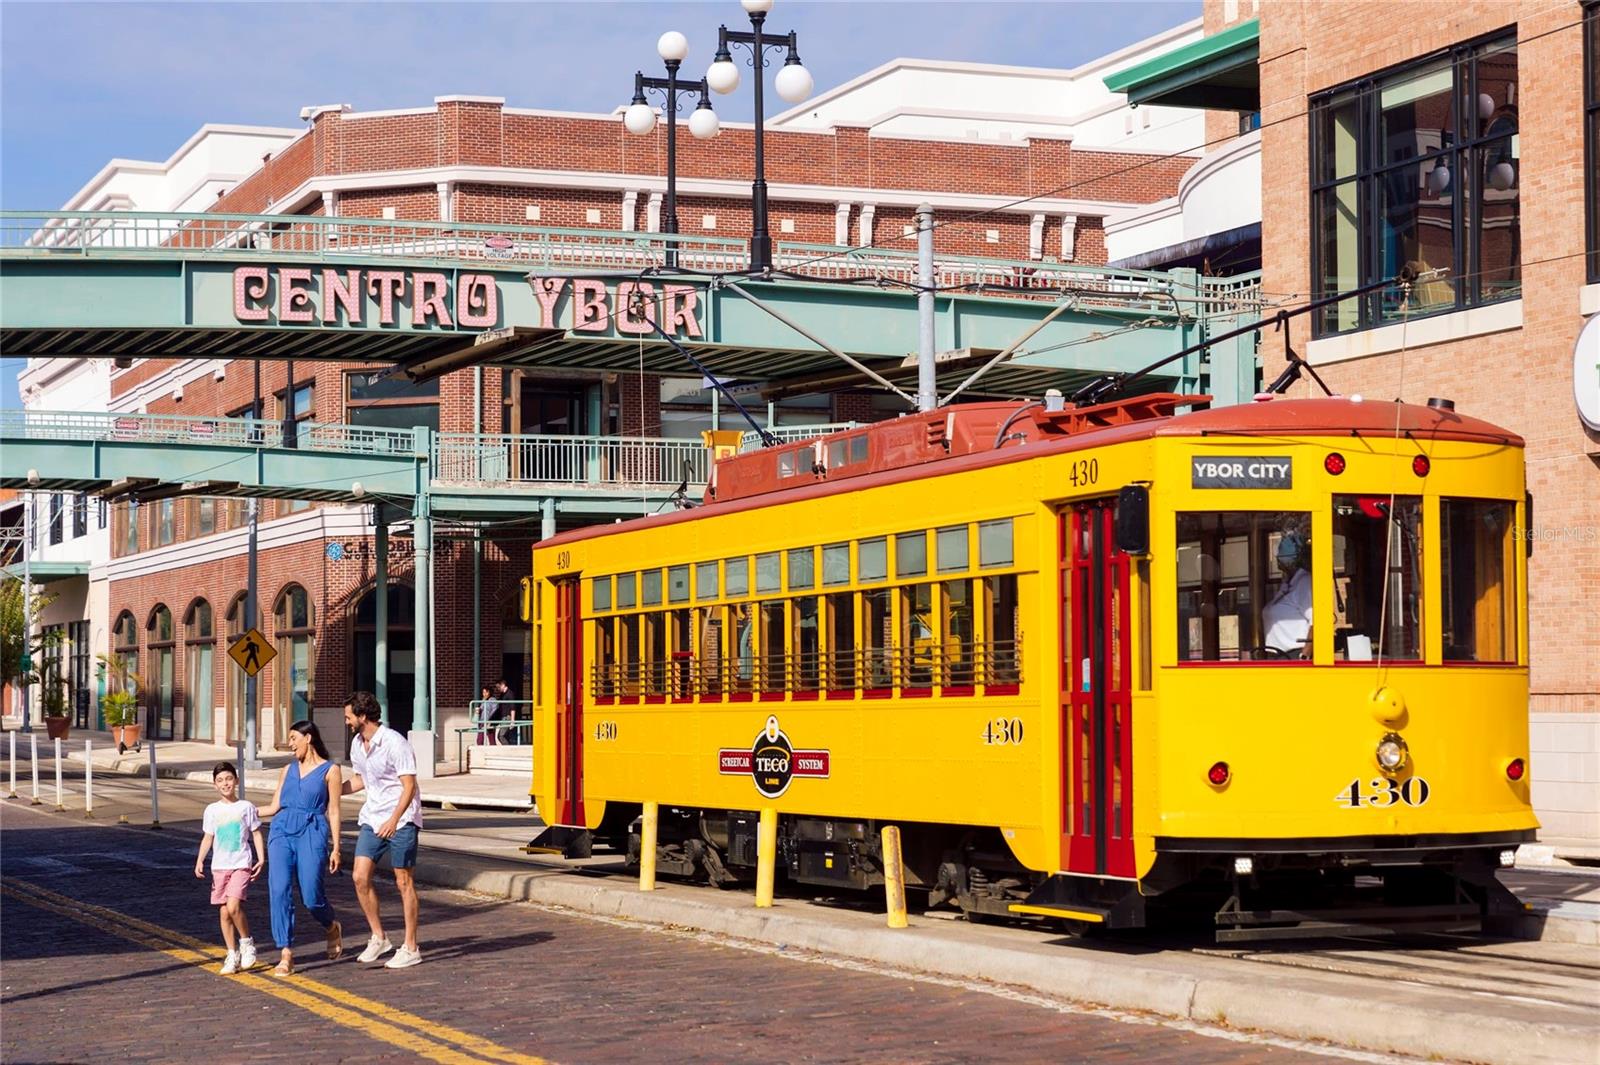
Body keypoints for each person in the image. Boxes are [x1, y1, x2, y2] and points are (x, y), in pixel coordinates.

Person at [342, 690, 423, 969]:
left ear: (363, 716)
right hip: (373, 818)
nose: (346, 721)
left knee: (403, 882)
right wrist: (330, 791)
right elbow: (359, 780)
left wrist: (393, 819)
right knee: (359, 877)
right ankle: (379, 937)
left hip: (401, 819)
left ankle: (411, 946)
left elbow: (409, 786)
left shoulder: (394, 743)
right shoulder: (356, 743)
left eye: (349, 716)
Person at [257, 719, 342, 975]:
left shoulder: (331, 770)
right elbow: (273, 808)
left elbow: (335, 811)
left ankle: (331, 926)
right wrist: (240, 811)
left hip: (312, 830)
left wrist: (336, 847)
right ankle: (285, 952)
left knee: (311, 896)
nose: (291, 744)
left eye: (294, 738)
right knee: (279, 889)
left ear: (309, 738)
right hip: (281, 830)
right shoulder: (287, 770)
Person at [194, 762, 265, 975]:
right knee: (224, 912)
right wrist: (200, 860)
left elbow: (256, 833)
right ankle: (231, 953)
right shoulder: (212, 810)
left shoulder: (246, 807)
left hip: (241, 864)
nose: (225, 784)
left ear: (236, 780)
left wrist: (261, 858)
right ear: (215, 785)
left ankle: (246, 943)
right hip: (219, 867)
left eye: (228, 779)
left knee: (233, 906)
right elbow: (208, 836)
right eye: (220, 780)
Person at [1263, 531, 1313, 656]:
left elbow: (1317, 622)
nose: (1279, 562)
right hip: (1276, 656)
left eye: (1283, 558)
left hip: (1293, 656)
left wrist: (1304, 656)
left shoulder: (1305, 582)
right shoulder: (1287, 584)